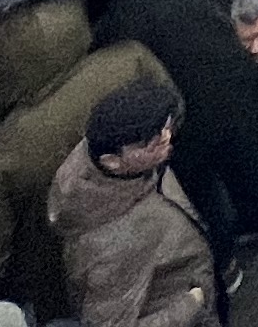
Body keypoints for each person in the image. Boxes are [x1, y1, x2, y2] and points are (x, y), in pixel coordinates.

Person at [49, 78, 216, 327]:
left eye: (166, 131)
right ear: (112, 160)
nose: (167, 141)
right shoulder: (111, 250)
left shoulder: (95, 161)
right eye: (153, 145)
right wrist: (192, 303)